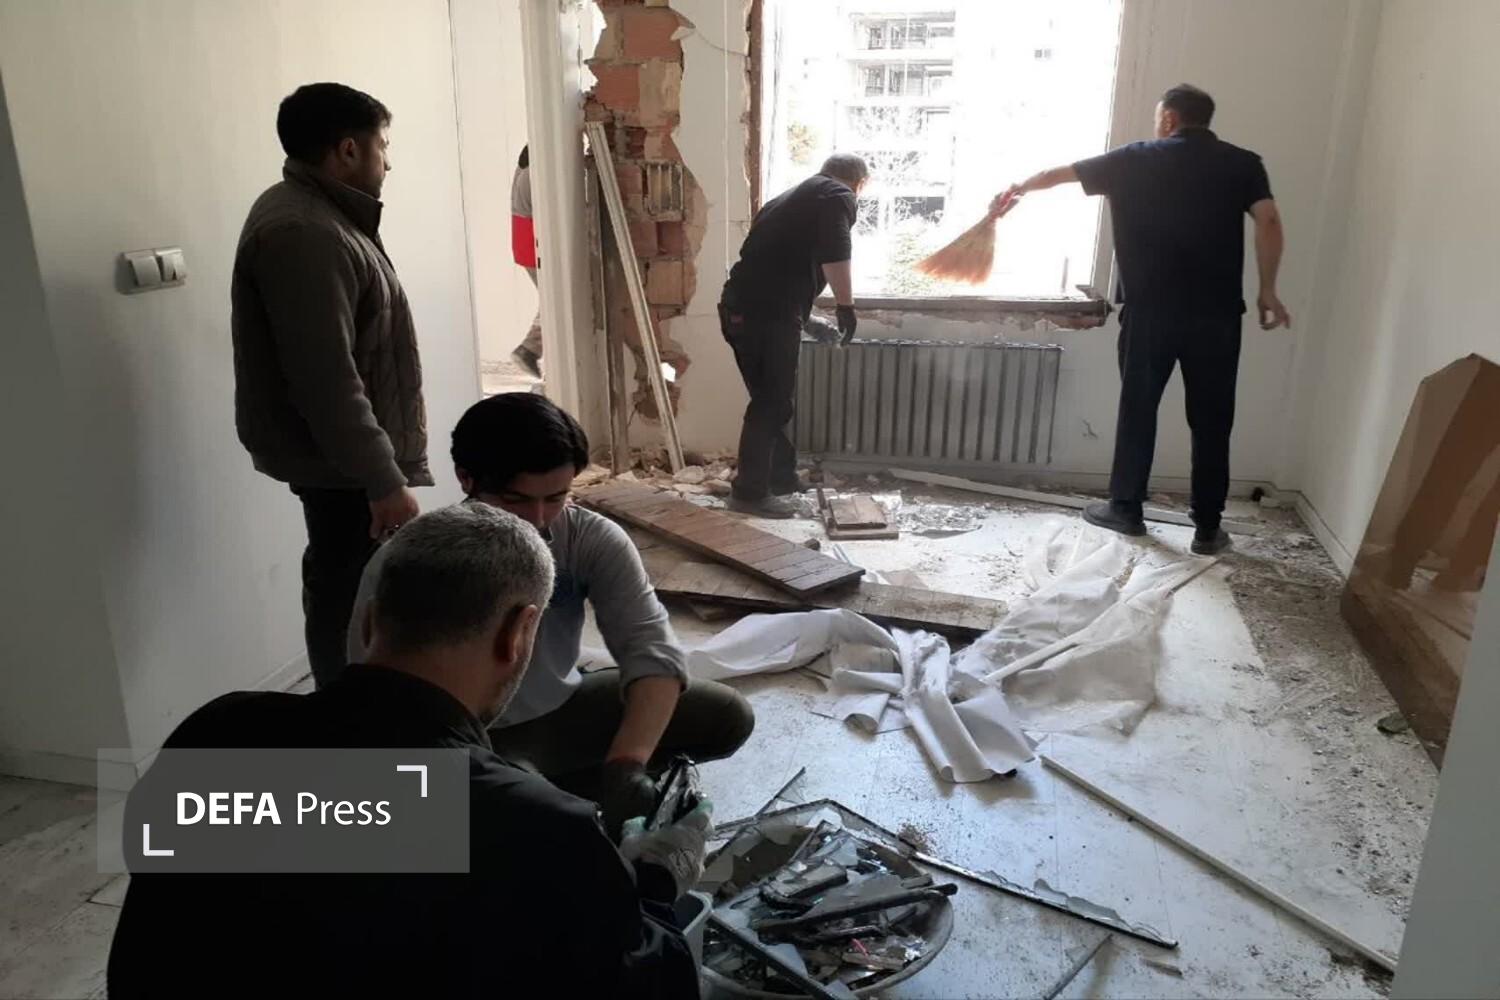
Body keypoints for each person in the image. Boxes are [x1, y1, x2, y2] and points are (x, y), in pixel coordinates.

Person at [107, 504, 706, 999]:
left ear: (370, 622)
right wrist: (652, 884)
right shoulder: (533, 827)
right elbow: (655, 985)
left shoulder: (218, 732)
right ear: (518, 633)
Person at [347, 393, 756, 836]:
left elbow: (651, 647)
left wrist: (626, 767)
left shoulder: (588, 539)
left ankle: (579, 795)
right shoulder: (416, 558)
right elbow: (380, 699)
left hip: (560, 708)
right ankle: (554, 805)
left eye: (557, 497)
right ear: (466, 478)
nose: (538, 520)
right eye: (516, 499)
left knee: (725, 714)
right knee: (524, 827)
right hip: (470, 738)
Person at [995, 84, 1290, 556]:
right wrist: (1268, 289)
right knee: (1213, 418)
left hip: (1151, 312)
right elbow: (1269, 220)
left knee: (1139, 409)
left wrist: (1018, 189)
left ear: (1169, 118)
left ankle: (1127, 509)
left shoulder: (1133, 159)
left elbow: (1058, 174)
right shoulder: (1243, 163)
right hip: (1216, 316)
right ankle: (1208, 528)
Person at [232, 82, 429, 688]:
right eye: (383, 145)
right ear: (348, 150)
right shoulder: (305, 232)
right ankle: (345, 715)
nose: (388, 162)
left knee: (353, 583)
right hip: (340, 464)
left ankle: (356, 705)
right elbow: (326, 378)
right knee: (346, 591)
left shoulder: (321, 215)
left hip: (342, 460)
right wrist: (382, 477)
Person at [719, 153, 869, 518]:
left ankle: (780, 478)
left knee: (770, 400)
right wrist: (845, 306)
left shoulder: (787, 199)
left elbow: (774, 270)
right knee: (772, 402)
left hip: (741, 309)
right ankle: (749, 494)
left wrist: (808, 320)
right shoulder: (837, 194)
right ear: (859, 184)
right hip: (765, 313)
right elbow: (836, 250)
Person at [510, 144, 544, 379]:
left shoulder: (524, 169)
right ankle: (528, 350)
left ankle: (530, 350)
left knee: (550, 300)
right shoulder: (534, 174)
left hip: (526, 240)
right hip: (532, 242)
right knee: (553, 302)